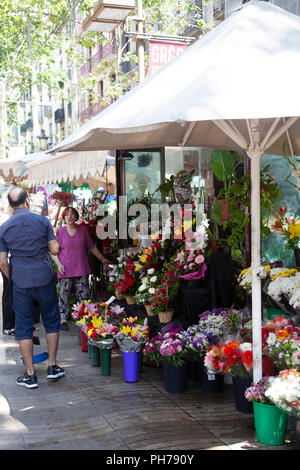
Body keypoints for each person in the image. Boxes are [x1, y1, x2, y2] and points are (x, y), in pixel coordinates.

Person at [0, 186, 64, 389]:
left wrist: (13, 279)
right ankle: (53, 367)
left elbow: (2, 262)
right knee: (52, 321)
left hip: (20, 281)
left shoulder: (4, 228)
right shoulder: (43, 221)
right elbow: (54, 248)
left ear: (10, 205)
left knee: (24, 327)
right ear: (28, 201)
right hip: (44, 278)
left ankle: (30, 375)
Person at [52, 206, 109, 331]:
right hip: (65, 269)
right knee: (64, 296)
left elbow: (92, 247)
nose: (70, 217)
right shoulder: (60, 232)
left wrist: (102, 259)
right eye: (67, 215)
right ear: (64, 217)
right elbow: (52, 251)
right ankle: (62, 319)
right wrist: (59, 264)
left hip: (81, 268)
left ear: (76, 216)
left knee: (83, 296)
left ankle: (84, 318)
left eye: (72, 214)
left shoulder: (82, 230)